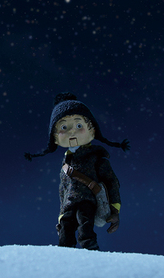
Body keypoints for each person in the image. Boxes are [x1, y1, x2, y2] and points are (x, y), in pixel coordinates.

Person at [25, 92, 129, 250]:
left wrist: (115, 210)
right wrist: (61, 215)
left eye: (79, 125)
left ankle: (91, 254)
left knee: (85, 228)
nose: (72, 131)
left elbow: (111, 182)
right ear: (55, 138)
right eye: (64, 127)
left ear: (92, 130)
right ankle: (65, 256)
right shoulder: (65, 164)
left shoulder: (96, 157)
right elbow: (63, 190)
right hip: (69, 204)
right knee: (65, 230)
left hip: (87, 201)